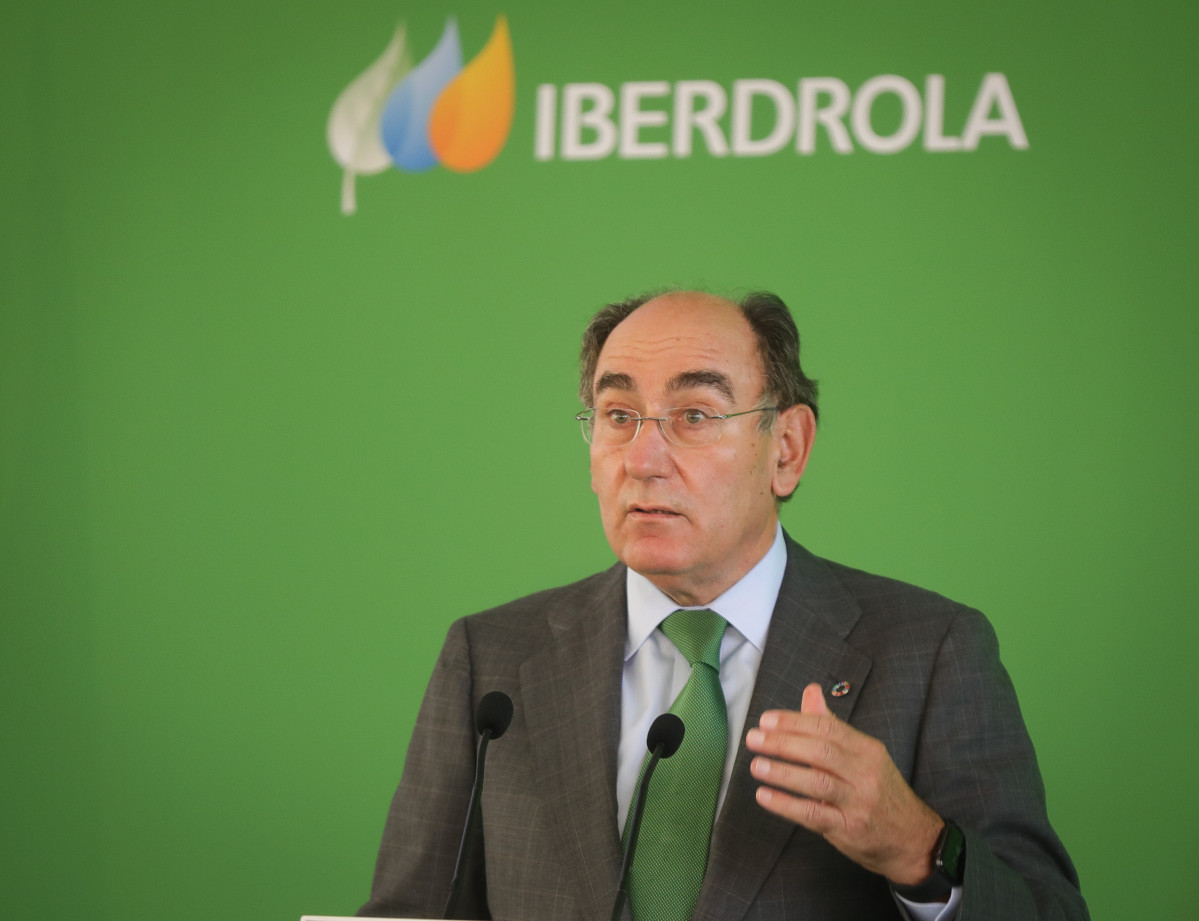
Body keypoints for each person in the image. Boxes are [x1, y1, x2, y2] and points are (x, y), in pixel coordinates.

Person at [358, 290, 1088, 921]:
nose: (642, 458)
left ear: (787, 449)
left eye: (695, 414)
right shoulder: (491, 660)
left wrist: (917, 845)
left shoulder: (928, 654)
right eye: (617, 414)